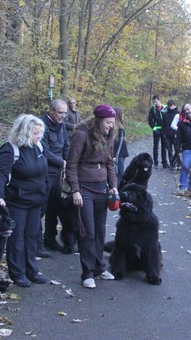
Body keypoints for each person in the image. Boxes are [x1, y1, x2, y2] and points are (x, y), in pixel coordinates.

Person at [0, 114, 49, 288]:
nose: (38, 137)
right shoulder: (10, 150)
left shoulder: (38, 147)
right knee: (17, 238)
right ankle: (17, 273)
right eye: (35, 133)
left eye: (40, 133)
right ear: (24, 133)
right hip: (17, 201)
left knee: (32, 236)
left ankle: (32, 270)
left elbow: (43, 170)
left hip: (35, 201)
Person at [66, 104, 118, 289]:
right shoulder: (81, 135)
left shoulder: (110, 136)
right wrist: (75, 189)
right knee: (87, 232)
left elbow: (110, 164)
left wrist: (113, 186)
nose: (111, 126)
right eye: (108, 122)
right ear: (98, 120)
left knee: (100, 231)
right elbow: (71, 164)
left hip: (102, 189)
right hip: (84, 189)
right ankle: (87, 273)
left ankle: (99, 267)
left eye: (112, 122)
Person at [41, 99, 70, 255]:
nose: (63, 116)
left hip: (58, 172)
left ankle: (50, 238)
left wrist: (68, 162)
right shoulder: (41, 125)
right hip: (44, 171)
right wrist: (61, 162)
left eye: (64, 113)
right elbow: (44, 150)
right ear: (51, 110)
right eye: (60, 112)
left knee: (54, 207)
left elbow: (66, 145)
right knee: (41, 207)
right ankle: (35, 242)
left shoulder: (62, 125)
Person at [148, 95, 168, 168]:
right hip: (156, 129)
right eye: (154, 102)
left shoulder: (165, 108)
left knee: (164, 146)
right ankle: (156, 162)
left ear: (159, 100)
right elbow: (150, 120)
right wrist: (154, 127)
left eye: (156, 101)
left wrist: (167, 128)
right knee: (156, 146)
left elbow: (168, 118)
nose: (155, 103)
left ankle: (164, 162)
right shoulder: (152, 109)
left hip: (164, 130)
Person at [162, 100, 179, 170]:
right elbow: (163, 125)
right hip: (167, 135)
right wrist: (164, 134)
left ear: (174, 105)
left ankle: (175, 163)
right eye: (170, 105)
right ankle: (172, 164)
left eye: (172, 105)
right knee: (169, 151)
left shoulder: (178, 114)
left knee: (177, 150)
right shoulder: (165, 114)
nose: (171, 107)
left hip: (176, 135)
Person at [113, 106, 129, 180]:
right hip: (118, 154)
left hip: (120, 153)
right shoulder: (115, 128)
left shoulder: (120, 126)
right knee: (119, 174)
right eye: (122, 113)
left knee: (119, 173)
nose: (123, 115)